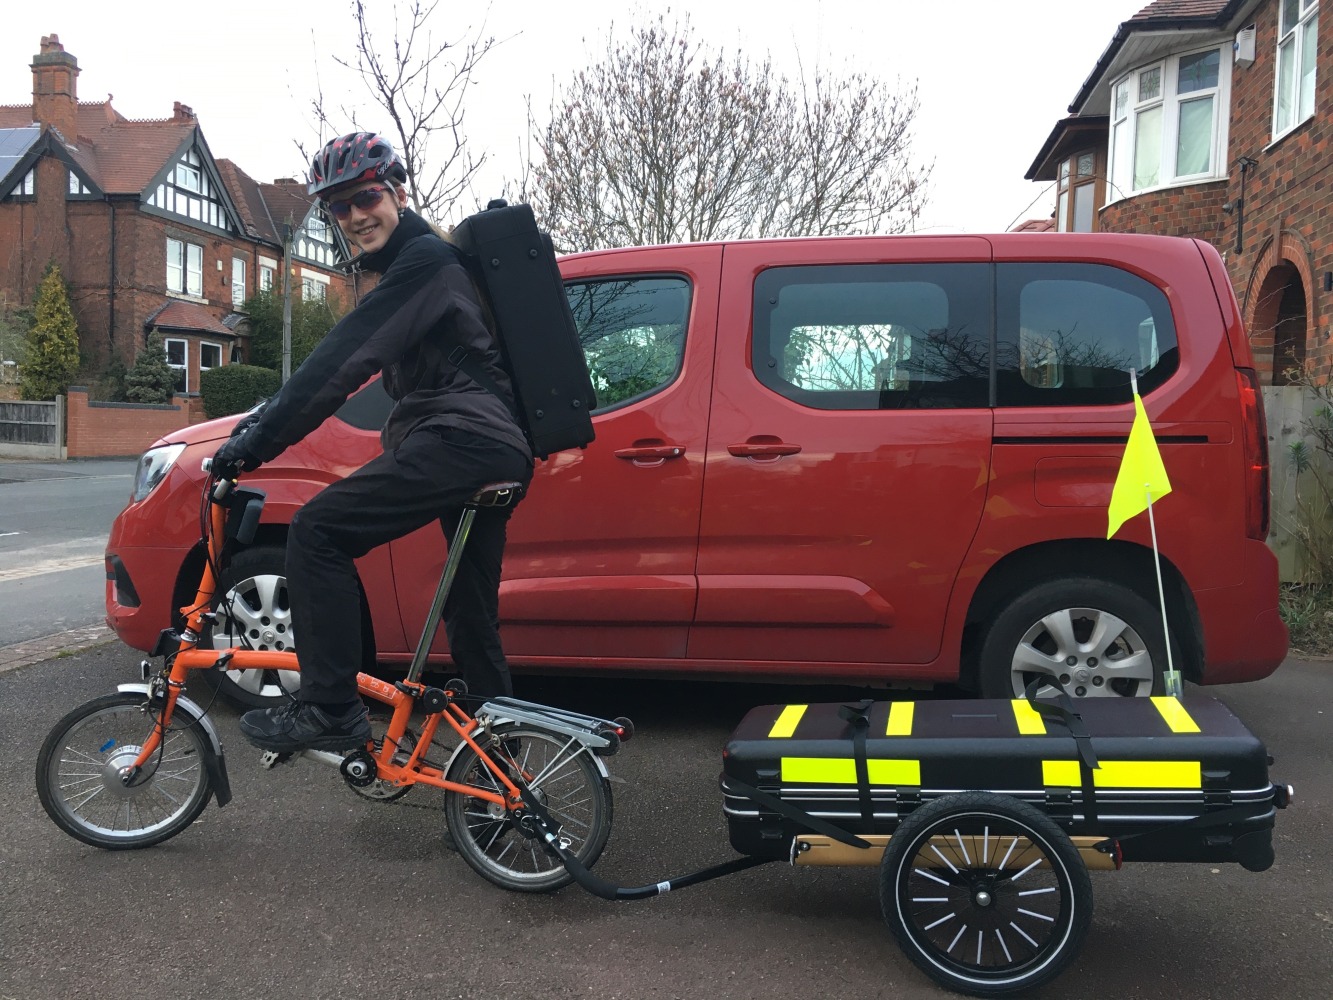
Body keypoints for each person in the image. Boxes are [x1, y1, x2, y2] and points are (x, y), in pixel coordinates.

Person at [213, 132, 533, 753]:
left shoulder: (426, 265)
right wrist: (261, 420)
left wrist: (256, 444)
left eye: (367, 198)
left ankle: (330, 707)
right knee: (470, 617)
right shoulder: (432, 266)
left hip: (465, 442)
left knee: (317, 531)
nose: (356, 216)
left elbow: (342, 361)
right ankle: (504, 783)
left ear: (398, 194)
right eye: (340, 207)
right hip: (493, 450)